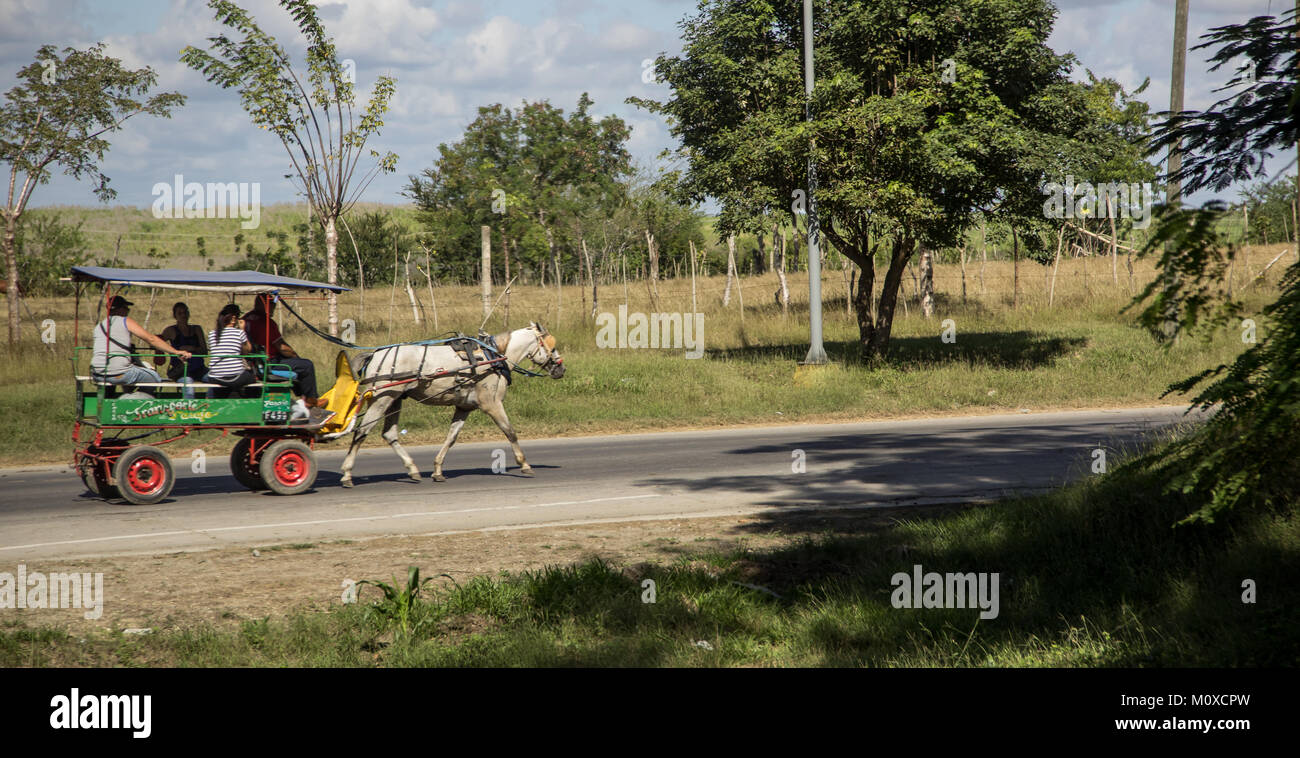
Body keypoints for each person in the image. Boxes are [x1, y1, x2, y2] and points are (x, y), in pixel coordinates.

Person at [242, 295, 326, 408]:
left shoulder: (245, 320)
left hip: (254, 363)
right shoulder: (267, 323)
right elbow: (282, 347)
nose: (273, 308)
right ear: (264, 305)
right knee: (306, 365)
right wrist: (296, 356)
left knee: (296, 364)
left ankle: (303, 398)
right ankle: (311, 400)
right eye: (271, 304)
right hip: (269, 363)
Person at [90, 295, 192, 388]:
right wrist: (176, 352)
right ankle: (142, 402)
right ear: (120, 309)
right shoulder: (124, 321)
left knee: (131, 374)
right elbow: (151, 339)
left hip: (97, 373)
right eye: (126, 308)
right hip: (118, 372)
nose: (127, 311)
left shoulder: (99, 326)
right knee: (155, 378)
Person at [203, 304, 256, 399]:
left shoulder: (212, 334)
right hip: (235, 376)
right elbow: (247, 350)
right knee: (252, 377)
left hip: (215, 377)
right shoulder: (239, 333)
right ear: (234, 318)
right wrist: (242, 329)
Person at [157, 301, 208, 385]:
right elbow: (157, 343)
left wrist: (192, 349)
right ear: (175, 316)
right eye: (180, 313)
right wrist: (174, 351)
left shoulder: (197, 329)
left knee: (215, 379)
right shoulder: (170, 330)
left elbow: (204, 351)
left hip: (199, 368)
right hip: (181, 370)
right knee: (188, 385)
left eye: (185, 312)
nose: (183, 315)